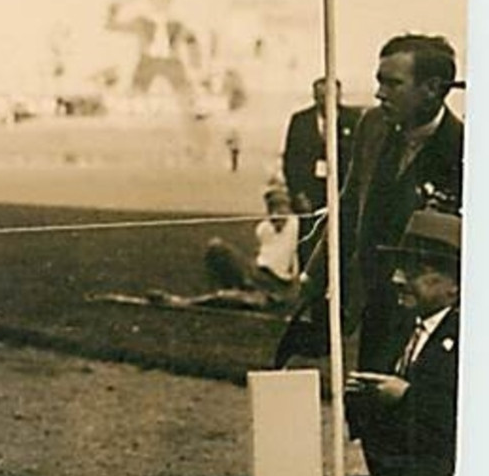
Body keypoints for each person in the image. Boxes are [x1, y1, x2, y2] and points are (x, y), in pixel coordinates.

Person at [271, 208, 461, 476]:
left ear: (455, 284)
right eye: (399, 267)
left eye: (416, 270)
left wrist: (407, 397)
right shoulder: (401, 329)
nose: (398, 279)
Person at [291, 34, 464, 370]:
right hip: (371, 297)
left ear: (431, 88)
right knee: (364, 401)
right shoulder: (372, 126)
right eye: (379, 81)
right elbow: (349, 205)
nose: (380, 93)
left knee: (416, 408)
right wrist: (315, 275)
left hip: (429, 312)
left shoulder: (464, 148)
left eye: (393, 84)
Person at [281, 77, 360, 265]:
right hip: (310, 193)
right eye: (322, 96)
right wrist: (298, 194)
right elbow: (291, 160)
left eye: (332, 95)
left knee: (343, 240)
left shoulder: (354, 120)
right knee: (310, 240)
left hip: (342, 192)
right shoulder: (301, 121)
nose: (327, 100)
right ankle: (308, 283)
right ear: (315, 97)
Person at [196, 180, 300, 309]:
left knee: (238, 299)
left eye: (280, 207)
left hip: (278, 286)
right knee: (216, 247)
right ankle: (225, 291)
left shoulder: (297, 225)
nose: (275, 213)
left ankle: (192, 301)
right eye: (271, 207)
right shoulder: (264, 228)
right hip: (258, 275)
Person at [104, 0, 202, 98]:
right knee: (135, 94)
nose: (160, 3)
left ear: (169, 2)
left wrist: (195, 63)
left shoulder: (177, 24)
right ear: (151, 1)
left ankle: (192, 110)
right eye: (156, 0)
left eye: (164, 0)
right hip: (148, 61)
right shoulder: (141, 22)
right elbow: (112, 26)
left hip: (171, 62)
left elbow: (191, 40)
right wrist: (117, 5)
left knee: (186, 93)